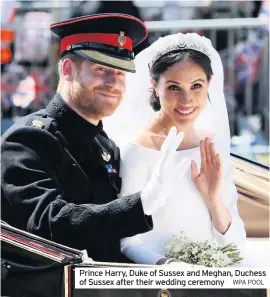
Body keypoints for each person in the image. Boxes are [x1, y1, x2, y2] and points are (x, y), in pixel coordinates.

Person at [1, 14, 189, 263]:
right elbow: (50, 225)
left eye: (121, 73)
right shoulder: (27, 140)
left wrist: (157, 263)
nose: (114, 83)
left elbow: (110, 240)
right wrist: (142, 204)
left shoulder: (105, 145)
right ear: (68, 70)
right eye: (102, 69)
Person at [103, 32, 247, 265]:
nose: (186, 100)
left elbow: (236, 247)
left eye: (196, 86)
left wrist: (213, 199)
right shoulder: (137, 151)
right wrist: (169, 269)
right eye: (174, 87)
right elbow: (127, 242)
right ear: (154, 85)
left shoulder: (209, 146)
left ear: (209, 84)